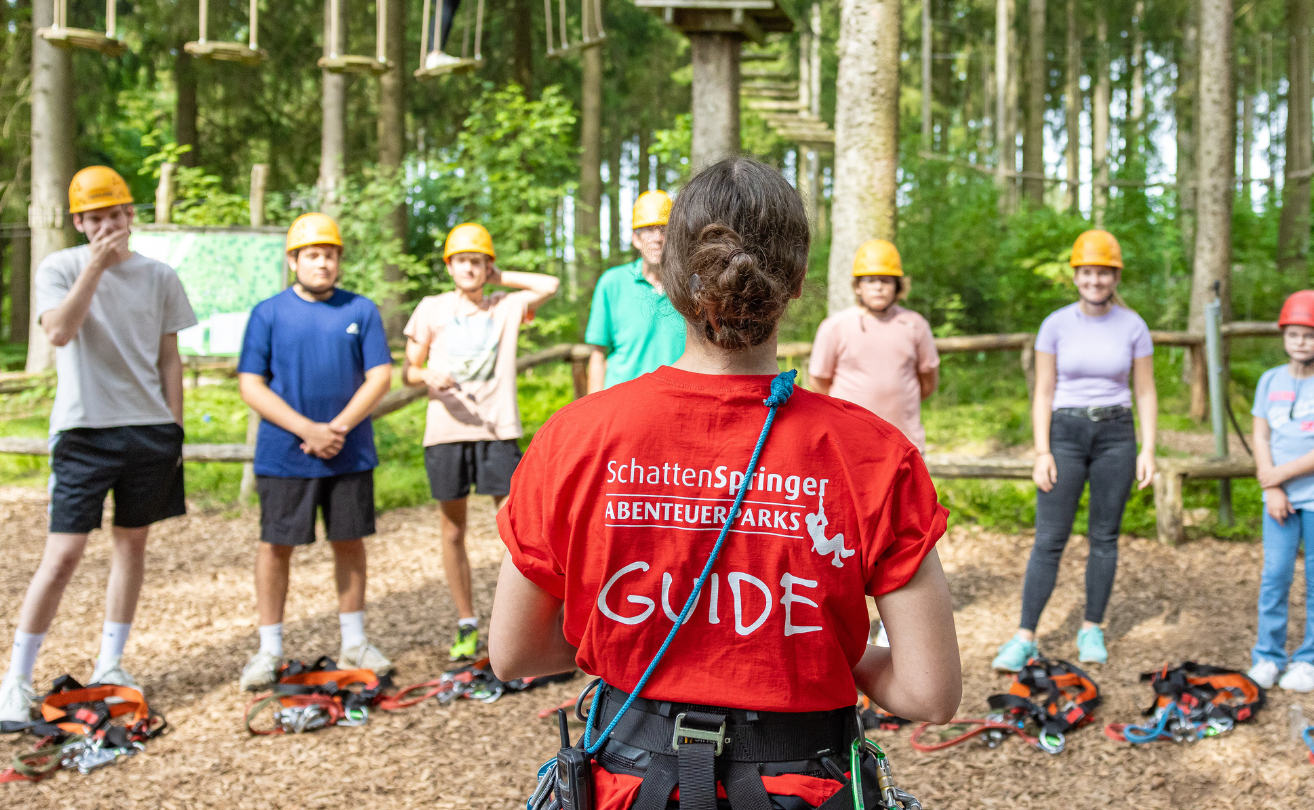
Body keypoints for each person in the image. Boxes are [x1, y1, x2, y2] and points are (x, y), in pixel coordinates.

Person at [488, 157, 961, 810]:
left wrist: (638, 632)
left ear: (671, 276)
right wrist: (819, 646)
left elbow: (514, 653)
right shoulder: (875, 454)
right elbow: (928, 692)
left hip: (629, 784)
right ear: (797, 279)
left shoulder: (575, 437)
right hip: (804, 787)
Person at [0, 166, 197, 731]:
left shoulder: (160, 276)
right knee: (63, 555)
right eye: (95, 218)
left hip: (149, 430)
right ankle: (15, 682)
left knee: (132, 546)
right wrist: (96, 268)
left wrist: (174, 430)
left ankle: (111, 663)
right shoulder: (59, 267)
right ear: (79, 222)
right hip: (83, 431)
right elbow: (58, 332)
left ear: (131, 215)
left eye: (116, 215)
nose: (107, 226)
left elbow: (169, 358)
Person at [235, 213, 396, 690]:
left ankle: (355, 642)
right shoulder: (268, 313)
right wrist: (307, 429)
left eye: (329, 254)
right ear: (293, 260)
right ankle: (270, 649)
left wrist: (338, 428)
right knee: (275, 546)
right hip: (285, 454)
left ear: (339, 260)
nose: (322, 263)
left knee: (349, 541)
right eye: (312, 255)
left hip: (349, 451)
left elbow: (380, 376)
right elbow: (251, 384)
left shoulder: (362, 310)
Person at [991, 228, 1157, 671]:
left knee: (1104, 537)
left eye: (1103, 272)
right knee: (1049, 539)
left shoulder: (1134, 326)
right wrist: (1042, 451)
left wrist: (1148, 449)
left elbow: (1145, 391)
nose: (1095, 280)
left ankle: (1092, 628)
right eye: (1087, 272)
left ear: (1115, 276)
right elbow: (1043, 392)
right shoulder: (1056, 325)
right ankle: (1025, 636)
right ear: (1076, 276)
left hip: (1116, 435)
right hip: (1064, 433)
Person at [403, 223, 560, 660]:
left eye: (477, 261)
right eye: (461, 261)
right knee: (453, 529)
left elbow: (550, 284)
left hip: (498, 431)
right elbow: (408, 370)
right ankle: (466, 622)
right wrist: (426, 374)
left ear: (487, 266)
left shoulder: (506, 305)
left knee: (518, 529)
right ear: (448, 266)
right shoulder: (431, 308)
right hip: (446, 432)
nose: (468, 268)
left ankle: (521, 623)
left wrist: (498, 276)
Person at [1245, 290, 1314, 694]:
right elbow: (1261, 435)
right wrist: (1273, 485)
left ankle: (1313, 660)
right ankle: (1268, 657)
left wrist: (1282, 473)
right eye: (1293, 334)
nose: (1300, 342)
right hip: (1279, 499)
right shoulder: (1269, 380)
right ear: (1283, 336)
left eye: (1310, 335)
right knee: (1275, 575)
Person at [808, 239, 940, 453]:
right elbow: (819, 381)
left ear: (897, 286)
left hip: (905, 442)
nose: (878, 286)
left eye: (886, 280)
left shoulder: (915, 325)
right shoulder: (835, 327)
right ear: (857, 286)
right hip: (850, 442)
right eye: (870, 280)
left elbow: (928, 381)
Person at [584, 190, 687, 391]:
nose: (658, 238)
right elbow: (598, 356)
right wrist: (593, 407)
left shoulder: (690, 286)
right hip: (622, 402)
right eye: (648, 229)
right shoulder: (612, 283)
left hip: (677, 401)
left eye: (664, 229)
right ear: (636, 239)